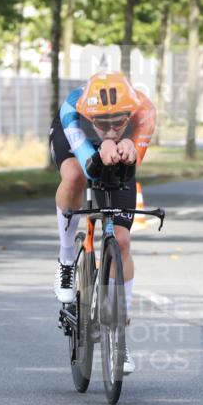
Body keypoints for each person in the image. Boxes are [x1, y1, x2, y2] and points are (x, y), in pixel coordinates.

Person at [49, 71, 155, 374]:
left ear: (131, 113)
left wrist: (130, 149)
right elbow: (90, 166)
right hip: (77, 144)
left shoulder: (145, 111)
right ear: (88, 114)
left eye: (118, 121)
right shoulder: (74, 110)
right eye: (102, 122)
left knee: (122, 241)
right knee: (74, 176)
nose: (109, 128)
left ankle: (119, 336)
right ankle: (67, 258)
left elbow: (127, 170)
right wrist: (103, 147)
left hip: (119, 151)